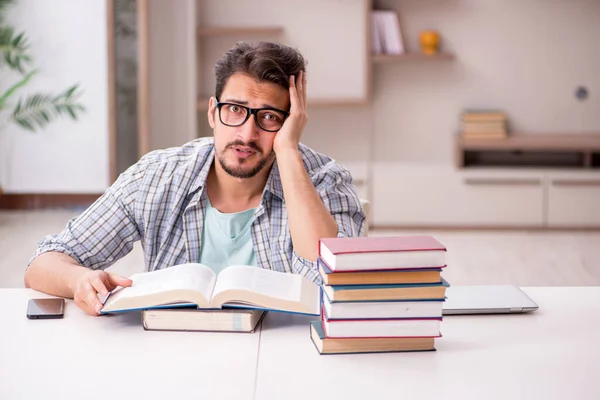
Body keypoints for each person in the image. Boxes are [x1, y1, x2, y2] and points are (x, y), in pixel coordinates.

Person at [25, 41, 366, 316]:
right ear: (212, 113)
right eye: (235, 110)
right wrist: (80, 280)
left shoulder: (325, 182)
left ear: (292, 123)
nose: (247, 134)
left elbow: (333, 284)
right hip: (174, 359)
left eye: (268, 117)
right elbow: (43, 263)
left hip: (286, 362)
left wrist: (288, 152)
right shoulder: (158, 176)